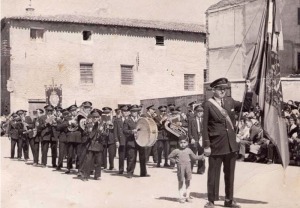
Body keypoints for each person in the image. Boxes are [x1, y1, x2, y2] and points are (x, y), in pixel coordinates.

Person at [203, 78, 252, 208]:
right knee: (214, 173)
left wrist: (248, 90)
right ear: (213, 90)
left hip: (231, 144)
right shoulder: (208, 104)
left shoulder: (230, 101)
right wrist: (207, 146)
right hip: (216, 144)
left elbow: (246, 107)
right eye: (220, 89)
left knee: (230, 173)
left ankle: (229, 200)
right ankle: (211, 201)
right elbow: (204, 127)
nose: (222, 91)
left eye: (224, 89)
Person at [168, 135, 204, 203]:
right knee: (181, 182)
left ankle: (187, 196)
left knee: (188, 181)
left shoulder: (189, 150)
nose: (183, 144)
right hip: (180, 168)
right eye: (181, 142)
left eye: (184, 142)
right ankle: (181, 197)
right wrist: (175, 161)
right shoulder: (176, 151)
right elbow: (170, 157)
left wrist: (201, 156)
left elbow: (195, 157)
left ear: (187, 143)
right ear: (178, 142)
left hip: (188, 167)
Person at [123, 105, 149, 178]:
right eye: (133, 111)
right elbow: (124, 131)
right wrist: (131, 131)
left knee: (143, 158)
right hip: (131, 142)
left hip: (141, 141)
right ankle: (130, 173)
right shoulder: (127, 120)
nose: (135, 113)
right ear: (130, 112)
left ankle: (143, 173)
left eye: (136, 111)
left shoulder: (141, 120)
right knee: (131, 158)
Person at [81, 109, 105, 181]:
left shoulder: (102, 125)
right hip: (90, 144)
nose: (95, 118)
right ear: (91, 117)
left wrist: (102, 132)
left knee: (98, 161)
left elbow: (106, 134)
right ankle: (85, 176)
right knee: (88, 161)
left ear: (99, 117)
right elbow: (84, 133)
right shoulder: (88, 124)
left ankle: (97, 175)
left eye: (97, 117)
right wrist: (88, 132)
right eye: (94, 117)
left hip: (98, 144)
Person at [188, 105, 205, 174]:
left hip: (201, 140)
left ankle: (200, 170)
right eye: (198, 111)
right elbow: (189, 131)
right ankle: (190, 169)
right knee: (192, 155)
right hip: (194, 140)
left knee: (201, 155)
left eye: (201, 111)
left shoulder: (204, 120)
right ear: (195, 112)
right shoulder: (191, 120)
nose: (199, 113)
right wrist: (191, 138)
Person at [114, 105, 129, 174]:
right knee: (121, 156)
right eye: (124, 111)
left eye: (126, 111)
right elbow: (115, 131)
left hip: (129, 140)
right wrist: (116, 140)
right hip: (121, 140)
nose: (125, 113)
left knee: (129, 155)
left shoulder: (130, 120)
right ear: (121, 112)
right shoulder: (117, 120)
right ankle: (121, 169)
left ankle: (129, 169)